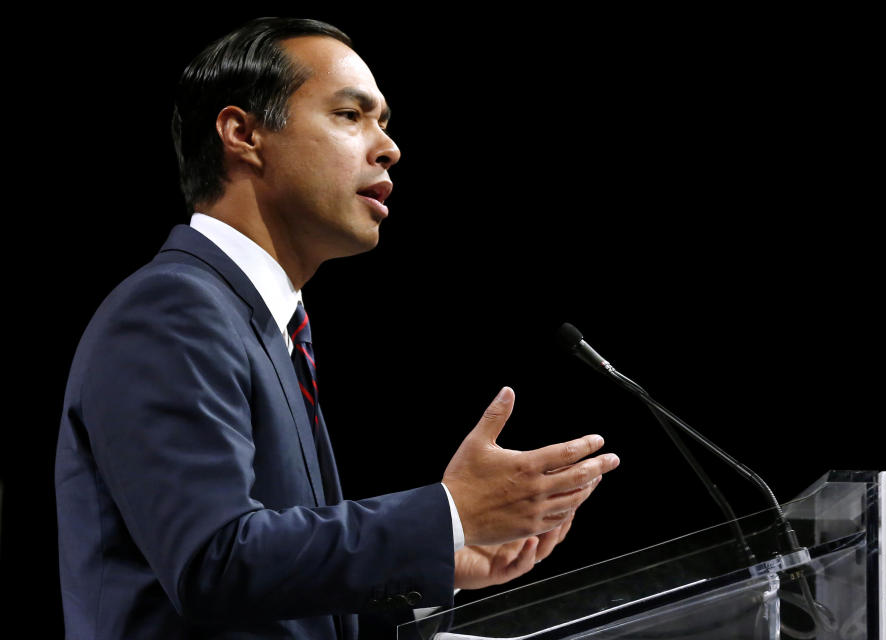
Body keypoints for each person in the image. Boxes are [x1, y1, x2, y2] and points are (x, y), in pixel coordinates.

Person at [55, 17, 620, 639]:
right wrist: (448, 514)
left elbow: (269, 593)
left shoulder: (268, 323)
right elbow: (213, 562)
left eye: (383, 121)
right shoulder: (171, 310)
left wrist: (437, 563)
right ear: (243, 134)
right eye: (351, 115)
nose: (388, 147)